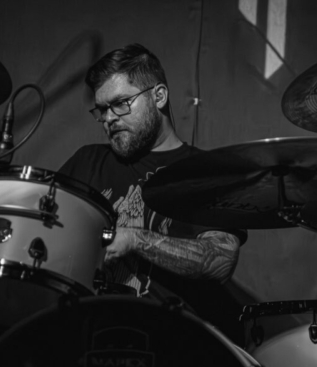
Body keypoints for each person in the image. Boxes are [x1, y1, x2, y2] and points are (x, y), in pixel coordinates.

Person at [59, 43, 247, 330]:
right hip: (86, 331)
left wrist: (135, 239)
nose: (109, 118)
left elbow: (221, 261)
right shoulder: (87, 161)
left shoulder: (206, 171)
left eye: (121, 103)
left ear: (159, 96)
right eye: (102, 109)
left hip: (171, 338)